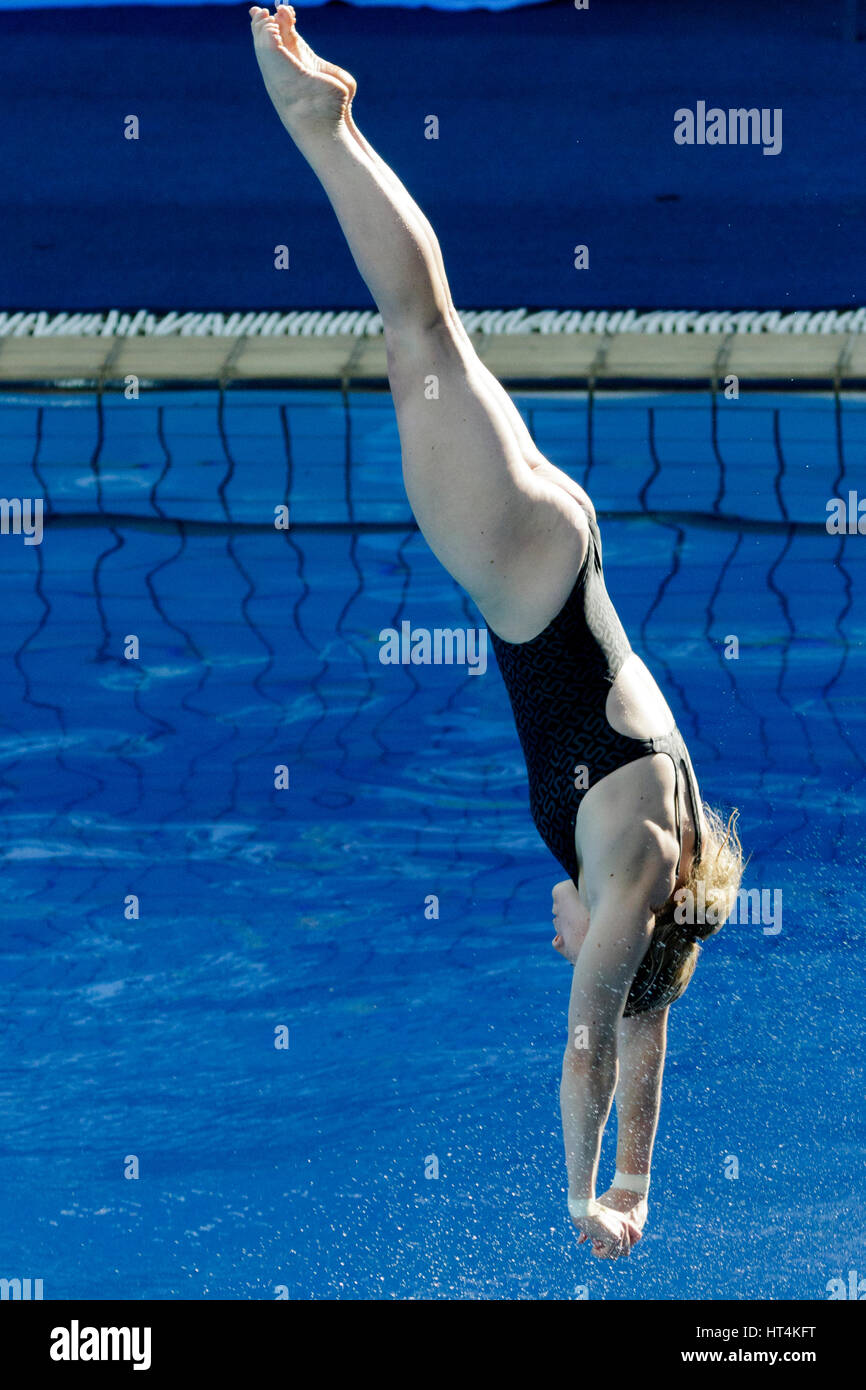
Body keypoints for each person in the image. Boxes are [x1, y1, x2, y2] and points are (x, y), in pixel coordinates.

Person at [249, 5, 744, 1260]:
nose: (555, 930)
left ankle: (331, 127)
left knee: (437, 334)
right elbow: (592, 1042)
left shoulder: (661, 868)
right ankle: (328, 126)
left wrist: (641, 1181)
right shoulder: (629, 882)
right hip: (514, 567)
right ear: (626, 938)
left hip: (559, 546)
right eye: (578, 945)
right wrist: (579, 1194)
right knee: (421, 328)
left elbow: (646, 1022)